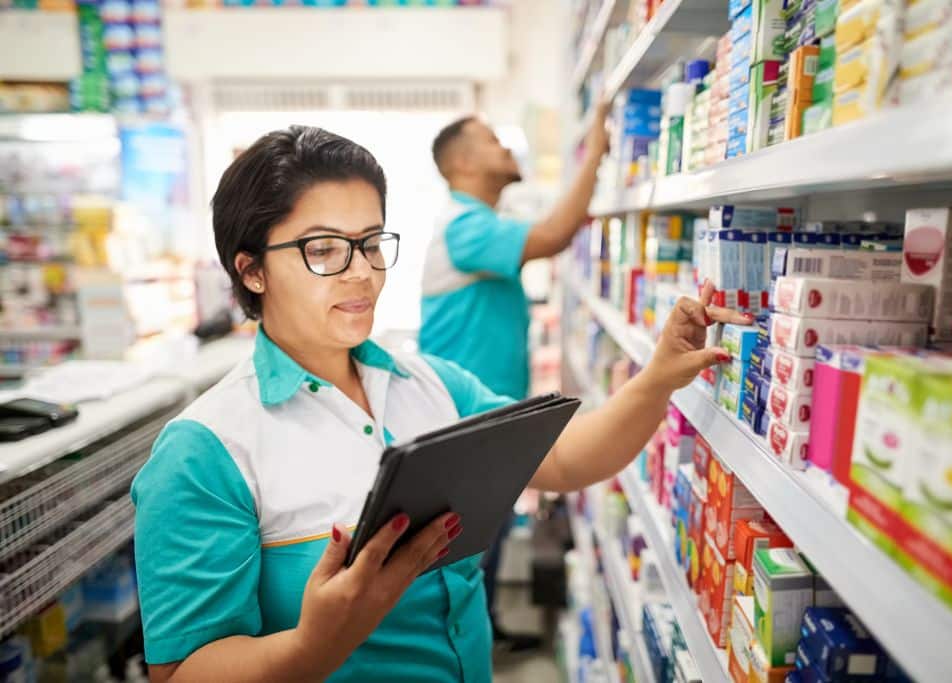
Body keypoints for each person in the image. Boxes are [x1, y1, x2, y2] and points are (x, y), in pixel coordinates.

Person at [131, 125, 749, 683]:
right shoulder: (205, 451)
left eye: (371, 242)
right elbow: (182, 671)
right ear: (252, 271)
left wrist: (659, 376)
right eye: (323, 250)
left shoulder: (433, 384)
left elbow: (564, 460)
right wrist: (315, 645)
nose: (362, 273)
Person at [419, 105, 613, 646]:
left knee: (488, 528)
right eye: (491, 140)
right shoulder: (464, 228)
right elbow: (553, 235)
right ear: (461, 162)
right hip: (462, 422)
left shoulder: (478, 225)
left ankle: (485, 629)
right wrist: (596, 152)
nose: (506, 147)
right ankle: (460, 644)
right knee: (467, 543)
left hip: (486, 416)